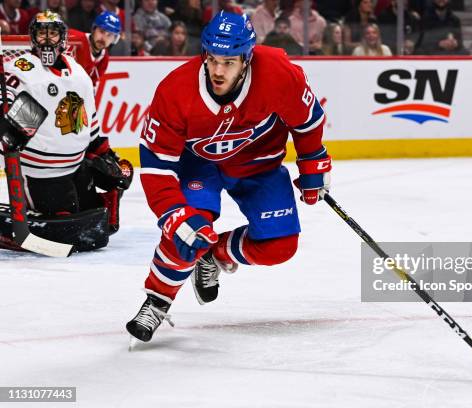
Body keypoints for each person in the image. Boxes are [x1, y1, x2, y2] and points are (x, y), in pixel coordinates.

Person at [126, 11, 330, 343]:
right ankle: (157, 301)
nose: (218, 70)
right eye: (213, 59)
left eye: (229, 62)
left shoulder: (278, 73)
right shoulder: (175, 90)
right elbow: (156, 165)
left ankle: (217, 254)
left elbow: (307, 121)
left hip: (257, 164)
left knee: (280, 246)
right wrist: (172, 214)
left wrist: (312, 161)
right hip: (198, 165)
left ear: (247, 59)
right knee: (188, 230)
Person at [0, 11, 132, 247]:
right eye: (42, 34)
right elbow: (9, 96)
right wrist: (5, 107)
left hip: (76, 167)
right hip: (43, 174)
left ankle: (104, 195)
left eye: (53, 34)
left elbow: (90, 123)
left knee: (103, 200)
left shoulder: (78, 71)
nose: (48, 40)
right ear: (33, 37)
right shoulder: (23, 67)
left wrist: (106, 155)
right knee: (69, 226)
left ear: (63, 38)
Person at [68, 11, 121, 91]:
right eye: (101, 31)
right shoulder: (75, 38)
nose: (103, 38)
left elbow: (90, 85)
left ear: (114, 39)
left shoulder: (104, 59)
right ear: (93, 29)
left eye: (109, 35)